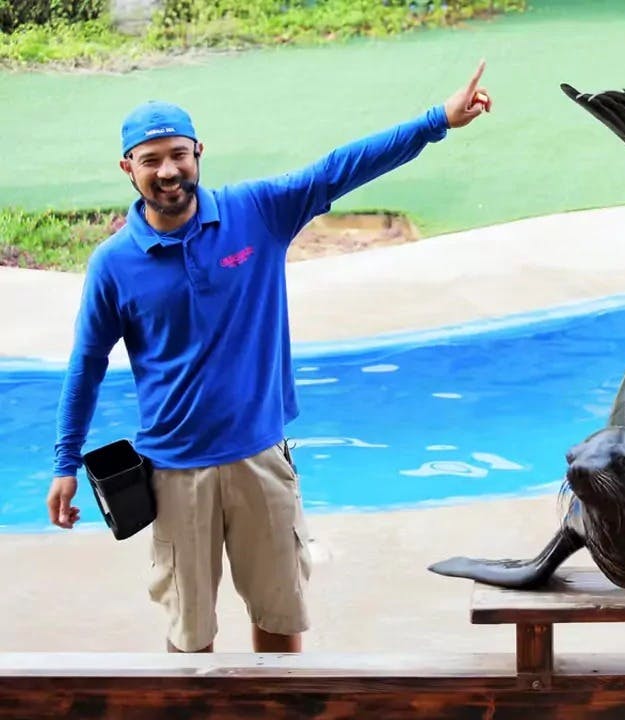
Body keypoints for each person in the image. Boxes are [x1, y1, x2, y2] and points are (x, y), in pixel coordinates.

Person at [44, 61, 492, 654]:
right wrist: (65, 461)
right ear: (129, 168)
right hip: (175, 475)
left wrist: (437, 121)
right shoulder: (113, 264)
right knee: (189, 635)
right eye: (150, 160)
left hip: (261, 459)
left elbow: (338, 169)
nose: (168, 170)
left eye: (177, 154)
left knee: (281, 621)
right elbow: (87, 366)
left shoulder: (256, 211)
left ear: (198, 151)